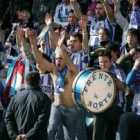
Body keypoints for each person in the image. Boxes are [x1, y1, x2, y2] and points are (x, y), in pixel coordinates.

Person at [30, 30, 81, 140]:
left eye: (61, 58)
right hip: (57, 105)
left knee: (70, 136)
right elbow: (41, 59)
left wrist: (60, 47)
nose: (58, 60)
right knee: (51, 128)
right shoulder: (53, 70)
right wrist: (34, 45)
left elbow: (69, 62)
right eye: (57, 58)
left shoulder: (73, 70)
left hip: (71, 108)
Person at [5, 72, 51, 140]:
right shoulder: (44, 98)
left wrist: (15, 136)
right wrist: (27, 136)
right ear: (39, 82)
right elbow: (42, 121)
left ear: (27, 82)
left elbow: (8, 118)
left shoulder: (15, 98)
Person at [92, 50, 126, 140]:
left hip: (117, 107)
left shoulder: (118, 71)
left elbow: (123, 87)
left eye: (105, 62)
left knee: (99, 116)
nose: (103, 65)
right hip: (103, 107)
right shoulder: (98, 72)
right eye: (101, 62)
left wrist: (111, 76)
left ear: (111, 60)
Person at [116, 56, 140, 140]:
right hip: (136, 113)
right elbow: (128, 82)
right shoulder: (138, 72)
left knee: (125, 118)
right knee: (125, 119)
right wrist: (135, 66)